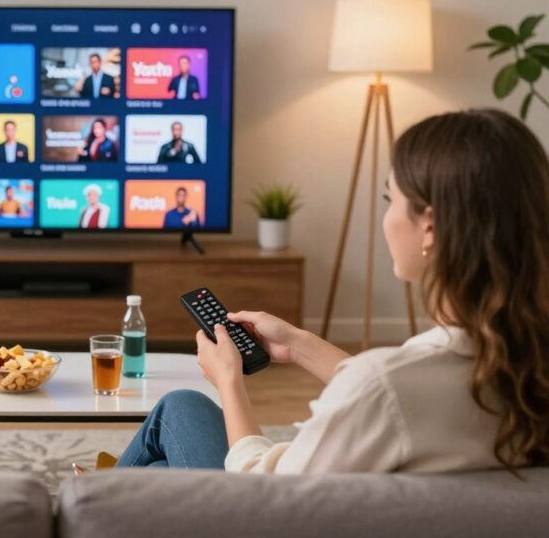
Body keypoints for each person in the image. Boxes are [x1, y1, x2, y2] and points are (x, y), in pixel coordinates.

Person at [119, 109, 549, 474]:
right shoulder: (521, 360)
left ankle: (87, 504)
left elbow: (265, 500)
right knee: (157, 471)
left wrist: (229, 381)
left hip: (259, 521)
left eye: (389, 199)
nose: (386, 218)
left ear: (430, 226)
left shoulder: (388, 385)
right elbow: (402, 396)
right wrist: (301, 346)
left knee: (178, 409)